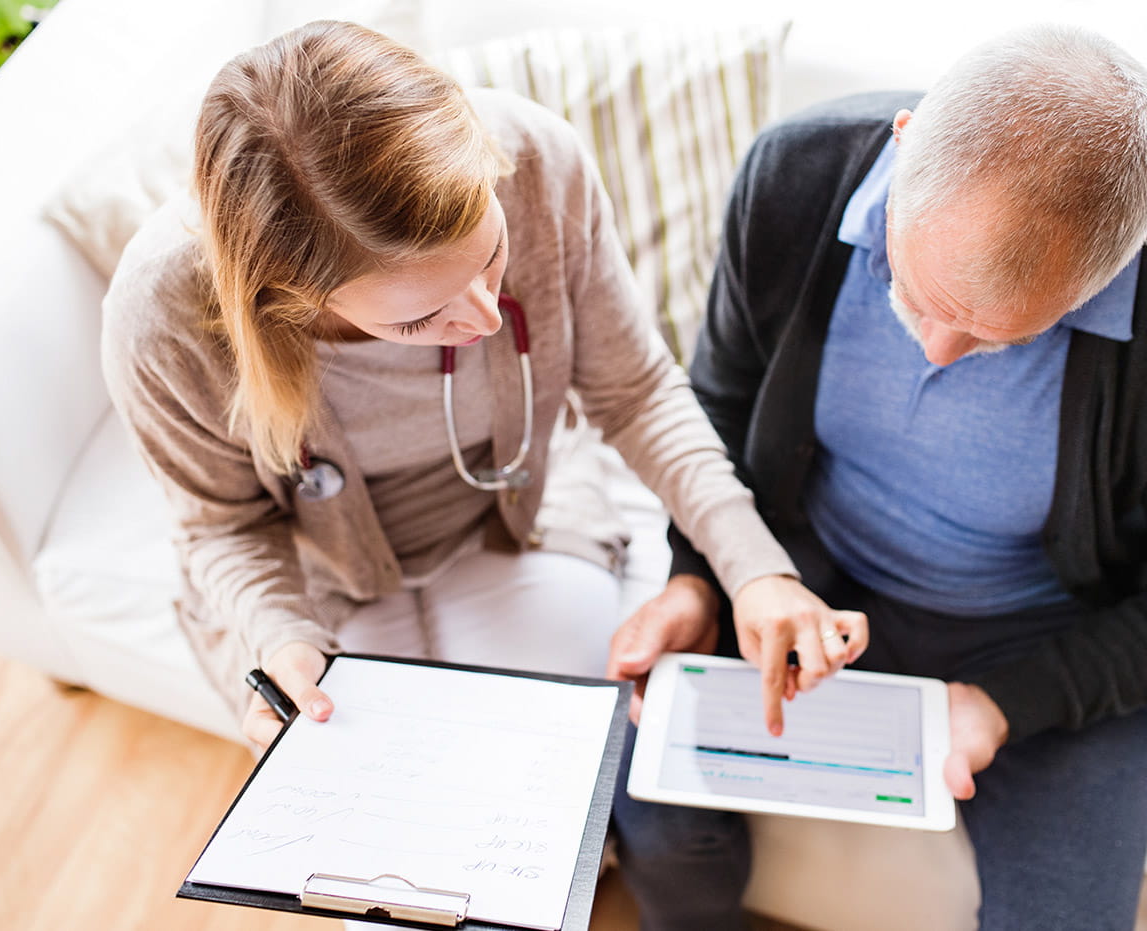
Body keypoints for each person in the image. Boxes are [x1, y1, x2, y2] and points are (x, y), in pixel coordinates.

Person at [100, 20, 867, 930]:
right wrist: (281, 639)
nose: (481, 316)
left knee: (586, 800)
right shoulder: (164, 316)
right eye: (420, 316)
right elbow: (219, 527)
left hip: (524, 524)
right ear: (295, 301)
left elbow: (636, 391)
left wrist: (754, 566)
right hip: (326, 587)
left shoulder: (537, 160)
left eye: (490, 258)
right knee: (397, 890)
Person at [608, 23, 1147, 930]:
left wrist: (1006, 704)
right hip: (803, 580)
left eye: (1002, 334)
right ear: (903, 143)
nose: (937, 349)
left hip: (1051, 635)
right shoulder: (791, 179)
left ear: (1122, 258)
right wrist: (703, 575)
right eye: (915, 292)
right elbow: (720, 407)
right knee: (652, 814)